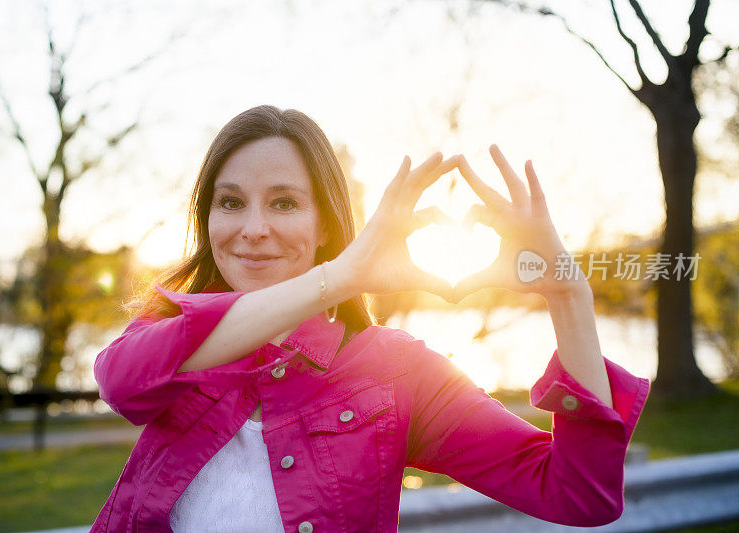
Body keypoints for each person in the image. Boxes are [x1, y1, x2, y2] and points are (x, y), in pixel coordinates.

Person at [90, 105, 650, 532]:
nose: (252, 228)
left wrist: (570, 297)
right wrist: (336, 277)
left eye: (284, 203)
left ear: (327, 223)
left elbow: (580, 495)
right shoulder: (172, 332)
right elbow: (122, 384)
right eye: (230, 202)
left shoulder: (394, 373)